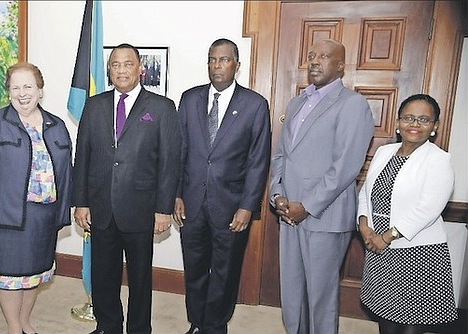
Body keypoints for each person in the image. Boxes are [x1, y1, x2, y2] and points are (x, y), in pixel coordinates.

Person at [72, 43, 181, 334]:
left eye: (128, 64)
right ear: (109, 70)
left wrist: (163, 208)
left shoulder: (161, 108)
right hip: (101, 207)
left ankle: (138, 328)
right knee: (103, 275)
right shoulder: (94, 106)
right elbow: (81, 156)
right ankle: (108, 325)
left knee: (140, 277)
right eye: (116, 64)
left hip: (142, 209)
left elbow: (170, 162)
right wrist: (81, 202)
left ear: (140, 69)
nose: (122, 70)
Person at [269, 38, 374, 334]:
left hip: (323, 216)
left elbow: (346, 166)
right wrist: (277, 194)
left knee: (321, 297)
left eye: (324, 56)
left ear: (340, 66)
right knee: (291, 292)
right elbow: (281, 155)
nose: (314, 61)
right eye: (311, 55)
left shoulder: (353, 104)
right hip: (289, 213)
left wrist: (309, 206)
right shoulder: (296, 102)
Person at [172, 38, 271, 334]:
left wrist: (247, 206)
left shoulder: (254, 105)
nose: (217, 66)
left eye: (224, 60)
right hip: (191, 202)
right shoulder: (189, 99)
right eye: (212, 60)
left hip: (231, 206)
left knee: (225, 272)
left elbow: (258, 161)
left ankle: (216, 326)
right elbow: (181, 151)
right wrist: (176, 194)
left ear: (237, 66)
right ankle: (197, 322)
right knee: (195, 268)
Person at [0, 62, 72, 334]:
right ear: (8, 92)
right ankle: (14, 327)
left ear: (40, 90)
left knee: (33, 273)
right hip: (6, 215)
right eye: (16, 87)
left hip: (43, 216)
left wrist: (65, 213)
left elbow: (68, 172)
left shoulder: (57, 125)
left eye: (28, 86)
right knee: (9, 276)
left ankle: (25, 321)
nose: (22, 93)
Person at [358, 94, 457, 334]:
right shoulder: (384, 152)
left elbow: (428, 209)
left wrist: (387, 237)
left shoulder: (438, 160)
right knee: (385, 315)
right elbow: (365, 193)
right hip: (378, 248)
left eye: (424, 119)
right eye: (409, 118)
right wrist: (364, 225)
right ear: (398, 122)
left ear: (434, 127)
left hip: (417, 253)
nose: (415, 124)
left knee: (410, 322)